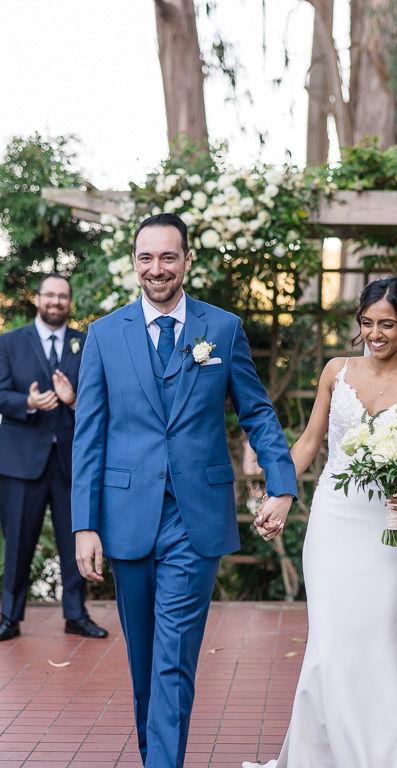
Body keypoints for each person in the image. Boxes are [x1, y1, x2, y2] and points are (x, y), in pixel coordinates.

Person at [71, 212, 297, 768]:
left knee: (173, 657)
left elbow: (258, 413)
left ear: (187, 260)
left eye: (168, 257)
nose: (157, 269)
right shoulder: (104, 335)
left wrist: (282, 483)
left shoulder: (220, 329)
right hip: (125, 515)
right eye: (146, 257)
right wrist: (84, 524)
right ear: (134, 261)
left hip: (194, 518)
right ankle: (157, 756)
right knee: (145, 659)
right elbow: (89, 437)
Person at [245, 276, 397, 768]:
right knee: (330, 642)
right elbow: (310, 442)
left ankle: (383, 755)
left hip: (389, 528)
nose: (376, 333)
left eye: (387, 324)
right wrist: (278, 491)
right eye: (368, 323)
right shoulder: (337, 370)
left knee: (377, 641)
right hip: (334, 521)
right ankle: (322, 756)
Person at [0, 274, 108, 641]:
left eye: (63, 296)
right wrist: (26, 402)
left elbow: (99, 398)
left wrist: (73, 400)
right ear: (37, 299)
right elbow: (0, 394)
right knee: (17, 543)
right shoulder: (9, 343)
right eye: (49, 295)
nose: (56, 302)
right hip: (20, 463)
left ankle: (76, 615)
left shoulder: (87, 343)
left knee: (74, 538)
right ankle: (9, 616)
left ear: (69, 302)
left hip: (71, 462)